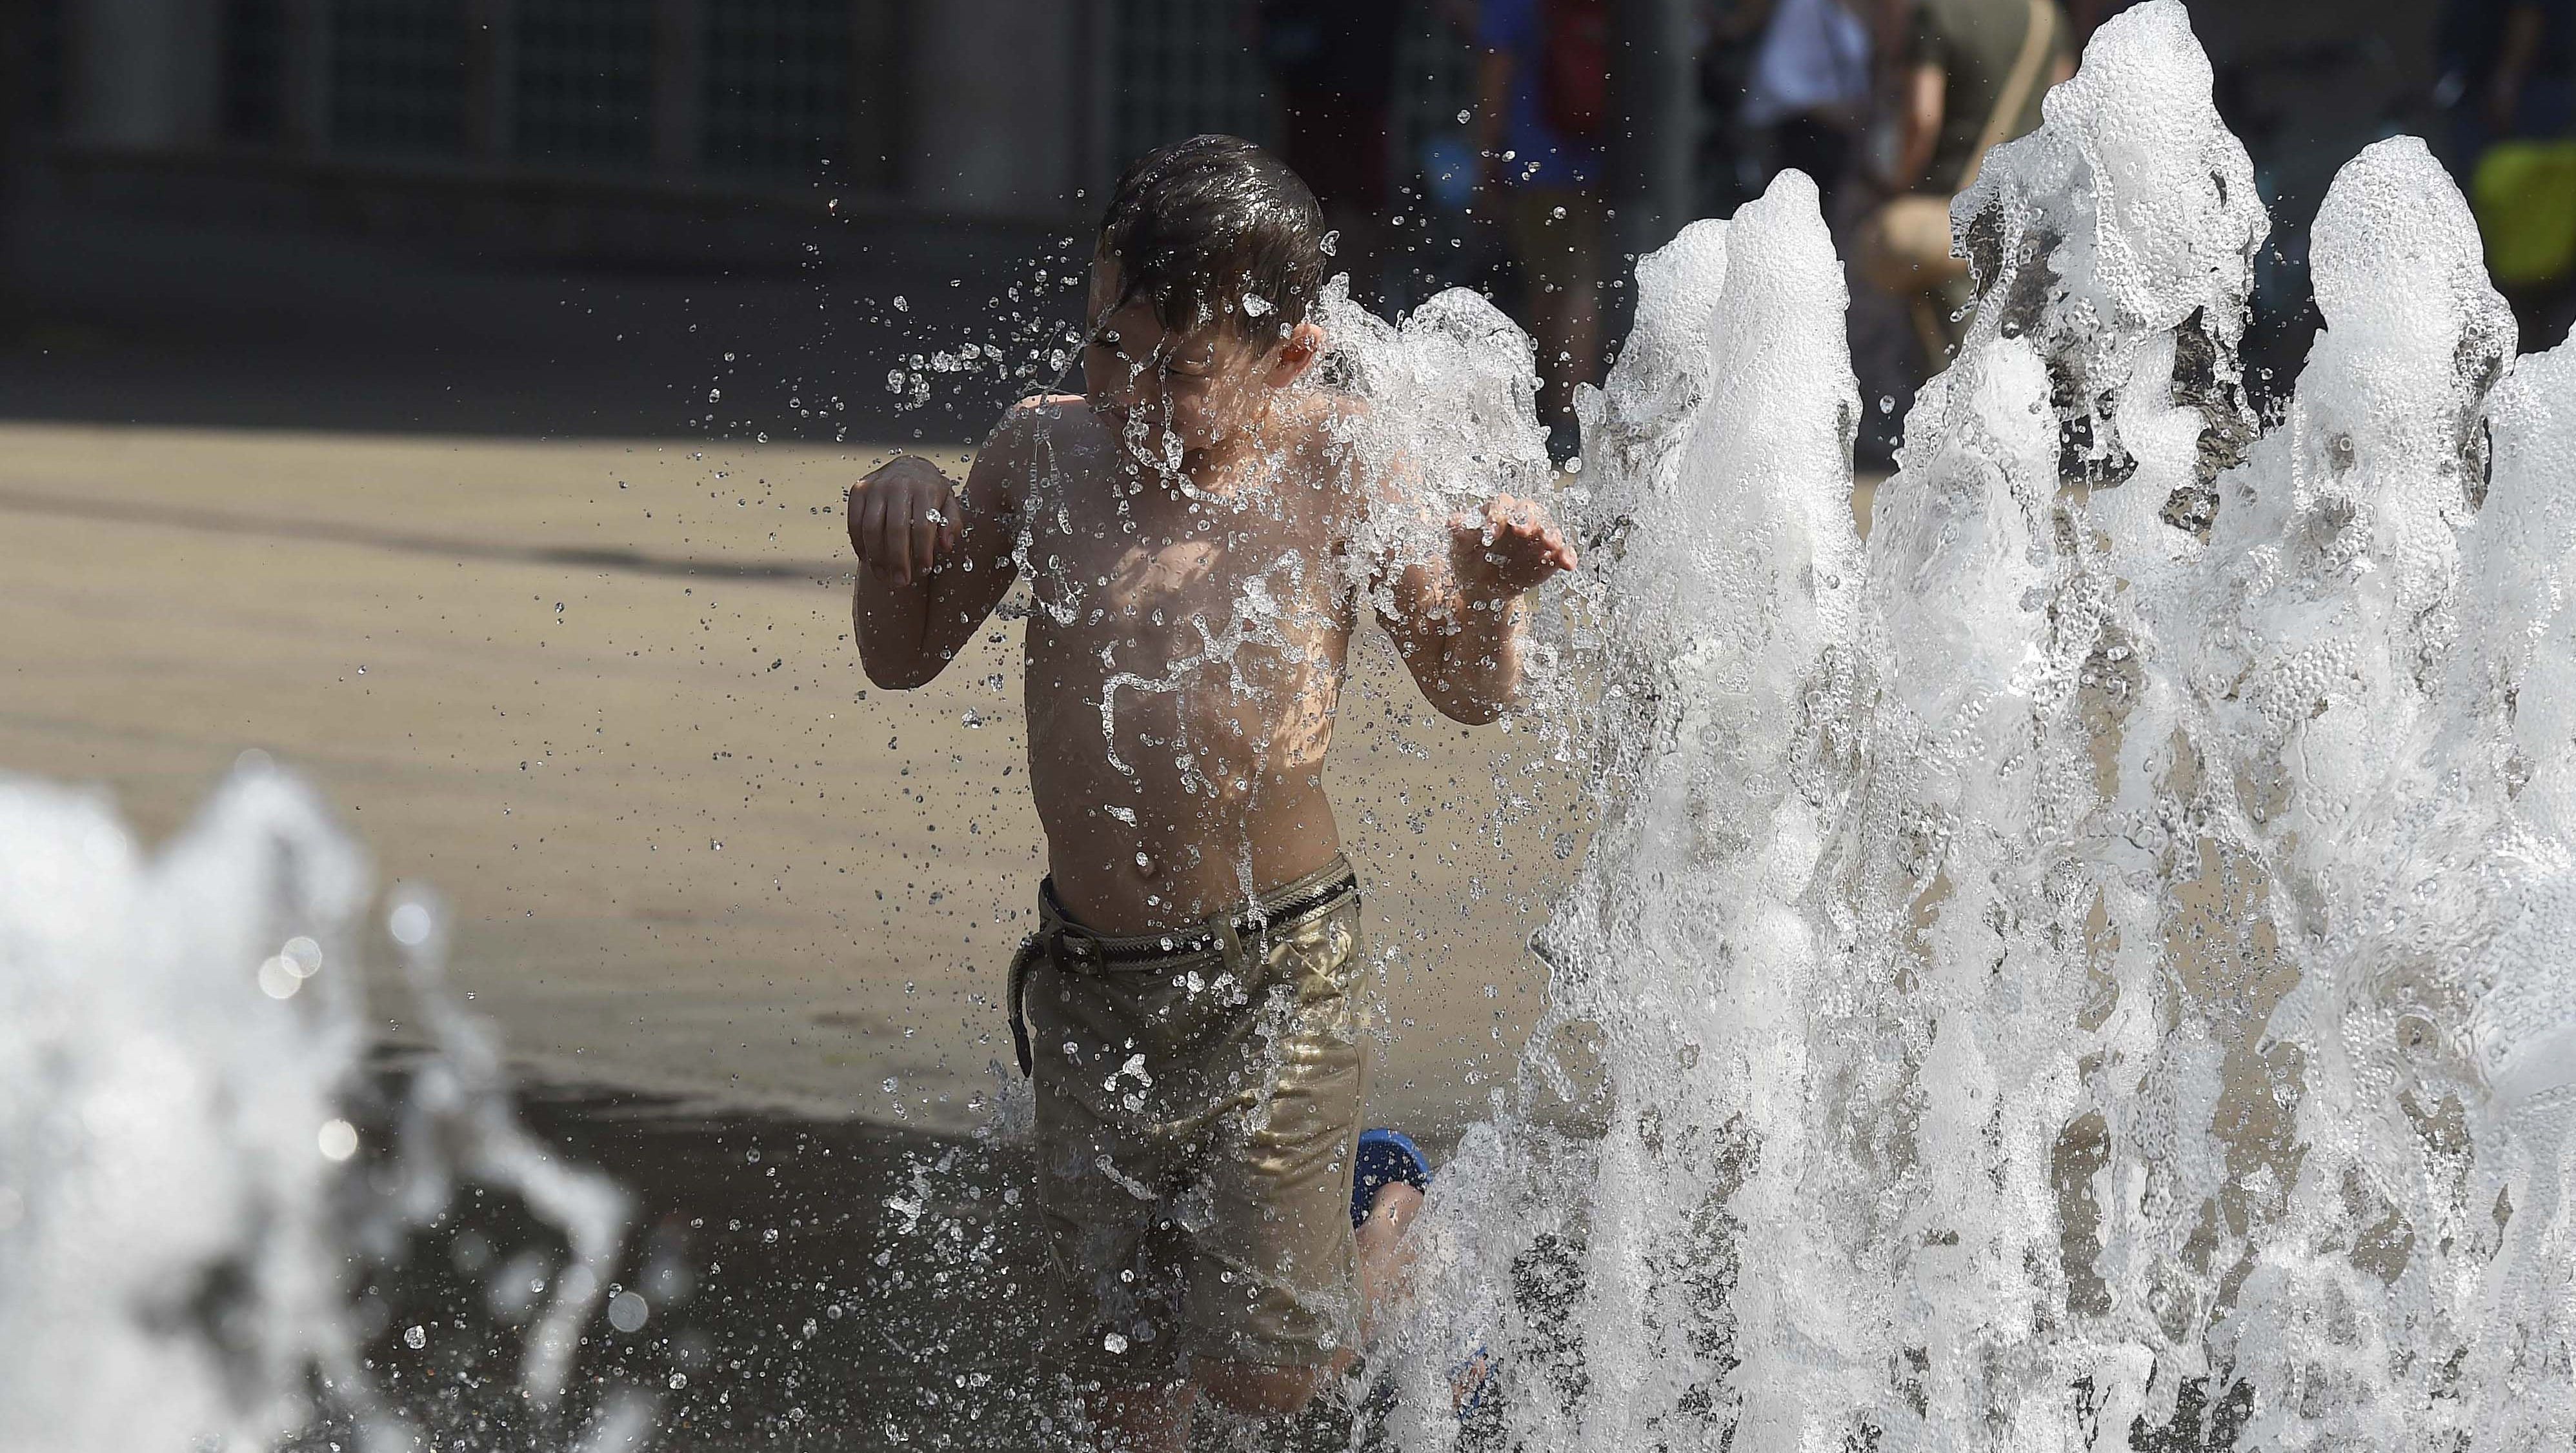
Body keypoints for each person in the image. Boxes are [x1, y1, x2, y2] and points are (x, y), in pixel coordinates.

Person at [844, 134, 1575, 1450]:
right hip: (1087, 981)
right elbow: (902, 659)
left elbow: (1468, 689)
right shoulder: (1042, 454)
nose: (1127, 393)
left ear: (1289, 354)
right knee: (1123, 1393)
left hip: (1275, 967)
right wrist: (892, 538)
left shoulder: (1340, 464)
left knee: (1265, 1378)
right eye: (1104, 345)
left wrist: (1489, 596)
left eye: (1177, 371)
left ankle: (1387, 1217)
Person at [1862, 0, 2074, 366]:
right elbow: (2060, 115)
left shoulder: (1939, 12)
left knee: (1942, 365)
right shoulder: (2047, 17)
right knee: (2010, 364)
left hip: (1947, 225)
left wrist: (1897, 185)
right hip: (2018, 221)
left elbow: (1922, 117)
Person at [1474, 0, 1609, 461]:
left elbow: (1498, 66)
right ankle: (1568, 411)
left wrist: (1487, 154)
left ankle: (1560, 416)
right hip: (1592, 155)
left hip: (1537, 158)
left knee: (1557, 287)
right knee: (1579, 280)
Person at [1256, 0, 1404, 308]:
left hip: (1350, 84)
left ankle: (1347, 302)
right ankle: (1329, 302)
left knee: (1348, 209)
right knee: (1315, 206)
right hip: (1325, 82)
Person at [1742, 0, 1873, 214]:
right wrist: (1832, 110)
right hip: (1803, 140)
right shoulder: (1805, 6)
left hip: (1843, 144)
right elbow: (1776, 78)